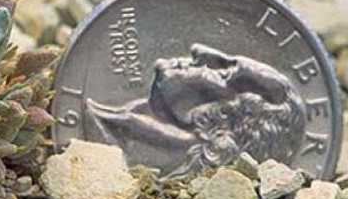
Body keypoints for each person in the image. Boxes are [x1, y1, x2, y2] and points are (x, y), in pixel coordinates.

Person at [84, 43, 306, 177]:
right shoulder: (121, 119)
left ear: (224, 117)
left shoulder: (140, 158)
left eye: (224, 71)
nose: (200, 51)